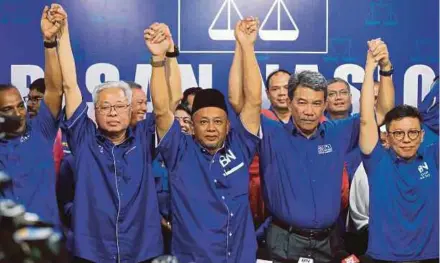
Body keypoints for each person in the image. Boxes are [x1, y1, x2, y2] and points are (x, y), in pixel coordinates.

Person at [253, 39, 394, 263]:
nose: (309, 111)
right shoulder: (271, 133)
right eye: (302, 102)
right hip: (283, 243)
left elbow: (382, 111)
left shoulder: (338, 132)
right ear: (289, 103)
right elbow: (244, 102)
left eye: (316, 103)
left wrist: (383, 69)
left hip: (329, 243)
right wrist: (245, 46)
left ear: (325, 104)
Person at [147, 18, 262, 262]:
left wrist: (247, 46)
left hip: (240, 256)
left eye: (218, 121)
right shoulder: (179, 150)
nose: (211, 128)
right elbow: (161, 110)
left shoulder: (240, 146)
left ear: (228, 125)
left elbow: (253, 101)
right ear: (191, 124)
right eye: (203, 122)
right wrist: (159, 60)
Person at [55, 5, 163, 262]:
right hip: (92, 253)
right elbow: (70, 85)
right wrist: (62, 33)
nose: (112, 112)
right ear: (94, 111)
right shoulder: (83, 141)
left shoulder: (146, 139)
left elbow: (163, 107)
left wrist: (159, 60)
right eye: (105, 107)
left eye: (118, 106)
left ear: (131, 110)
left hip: (141, 250)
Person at [359, 40, 438, 262]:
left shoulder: (434, 158)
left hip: (430, 257)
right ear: (387, 136)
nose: (406, 140)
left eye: (413, 133)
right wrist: (372, 67)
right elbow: (366, 119)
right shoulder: (377, 161)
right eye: (398, 134)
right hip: (383, 258)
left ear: (422, 135)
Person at [0, 5, 64, 228]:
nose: (18, 113)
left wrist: (49, 42)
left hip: (47, 247)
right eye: (8, 109)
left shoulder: (42, 130)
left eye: (20, 105)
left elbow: (55, 89)